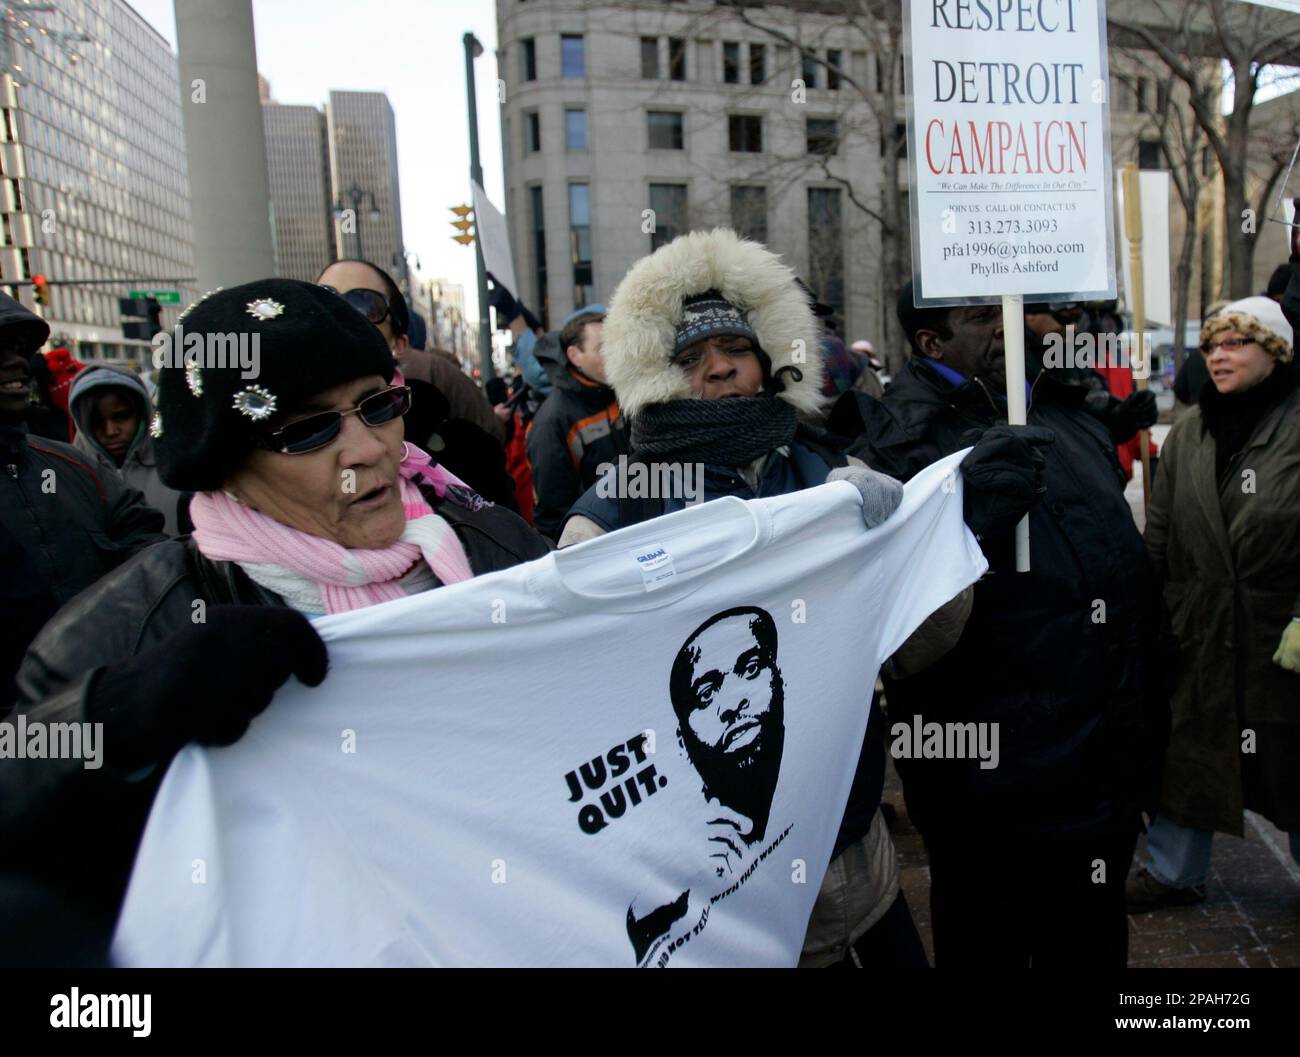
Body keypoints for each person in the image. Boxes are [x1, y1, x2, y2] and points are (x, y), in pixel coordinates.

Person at [0, 279, 550, 951]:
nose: (368, 450)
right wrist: (118, 716)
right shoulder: (140, 622)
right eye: (308, 430)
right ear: (227, 467)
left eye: (379, 406)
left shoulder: (496, 543)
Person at [557, 229, 1041, 969]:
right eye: (690, 359)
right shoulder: (614, 515)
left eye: (736, 350)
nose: (720, 368)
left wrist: (940, 540)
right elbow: (581, 697)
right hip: (715, 900)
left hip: (855, 865)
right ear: (653, 374)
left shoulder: (830, 477)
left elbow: (910, 648)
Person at [829, 282, 1173, 968]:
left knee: (1092, 941)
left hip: (1099, 762)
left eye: (1007, 309)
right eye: (982, 315)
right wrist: (965, 524)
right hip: (991, 785)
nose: (1005, 326)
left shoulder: (1060, 408)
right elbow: (895, 628)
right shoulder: (899, 441)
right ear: (932, 342)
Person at [1129, 296, 1300, 910]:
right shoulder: (1192, 431)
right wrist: (1147, 614)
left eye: (1236, 343)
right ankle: (1175, 872)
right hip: (1199, 627)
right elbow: (1162, 534)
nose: (1219, 356)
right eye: (1212, 346)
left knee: (1291, 756)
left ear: (1274, 352)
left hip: (1279, 634)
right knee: (1189, 750)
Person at [0, 294, 165, 708]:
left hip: (111, 706)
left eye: (21, 349)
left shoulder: (75, 467)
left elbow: (149, 547)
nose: (17, 362)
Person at [316, 259, 517, 509]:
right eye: (324, 301)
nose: (341, 318)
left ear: (399, 344)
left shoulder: (462, 446)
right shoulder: (278, 436)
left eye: (365, 305)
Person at [525, 304, 628, 541]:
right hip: (596, 543)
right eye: (602, 348)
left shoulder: (624, 391)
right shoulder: (552, 422)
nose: (613, 356)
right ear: (574, 356)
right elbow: (554, 513)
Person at [70, 364, 187, 534]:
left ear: (142, 413)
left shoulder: (177, 466)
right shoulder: (70, 474)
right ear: (82, 425)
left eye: (121, 416)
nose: (111, 431)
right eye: (96, 422)